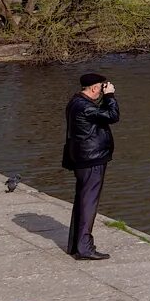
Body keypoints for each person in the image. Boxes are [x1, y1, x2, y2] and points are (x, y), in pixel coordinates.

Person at [62, 71, 120, 261]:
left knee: (82, 200)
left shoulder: (76, 103)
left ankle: (75, 245)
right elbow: (112, 116)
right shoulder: (85, 107)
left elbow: (100, 116)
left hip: (82, 158)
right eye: (101, 87)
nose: (102, 90)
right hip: (91, 160)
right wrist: (110, 96)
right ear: (95, 88)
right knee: (88, 203)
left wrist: (104, 98)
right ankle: (85, 248)